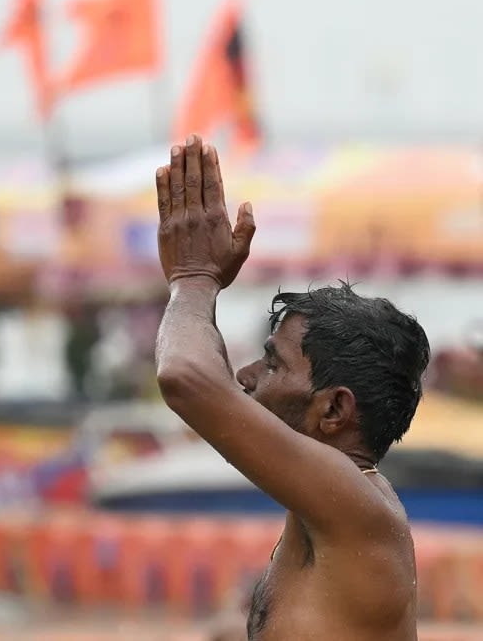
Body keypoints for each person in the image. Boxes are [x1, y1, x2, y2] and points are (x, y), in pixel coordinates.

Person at [154, 135, 429, 640]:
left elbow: (187, 378)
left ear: (333, 410)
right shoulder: (330, 505)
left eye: (273, 364)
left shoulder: (353, 500)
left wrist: (194, 278)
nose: (246, 377)